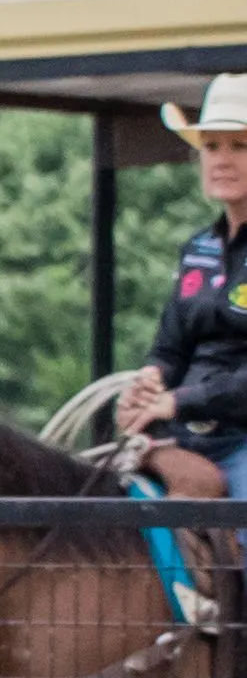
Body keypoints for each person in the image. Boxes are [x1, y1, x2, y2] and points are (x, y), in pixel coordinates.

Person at [116, 75, 247, 500]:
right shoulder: (197, 248)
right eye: (211, 147)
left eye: (240, 146)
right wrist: (150, 382)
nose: (221, 160)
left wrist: (177, 401)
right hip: (184, 440)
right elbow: (170, 348)